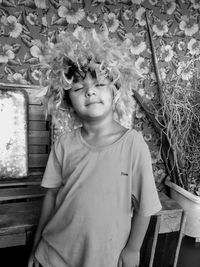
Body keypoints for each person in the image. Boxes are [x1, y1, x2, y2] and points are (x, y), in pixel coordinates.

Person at [28, 26, 162, 267]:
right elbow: (51, 196)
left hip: (105, 258)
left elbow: (145, 208)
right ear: (68, 101)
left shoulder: (133, 144)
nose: (89, 91)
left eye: (99, 83)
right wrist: (38, 242)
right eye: (78, 88)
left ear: (115, 91)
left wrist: (133, 249)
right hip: (54, 253)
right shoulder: (64, 143)